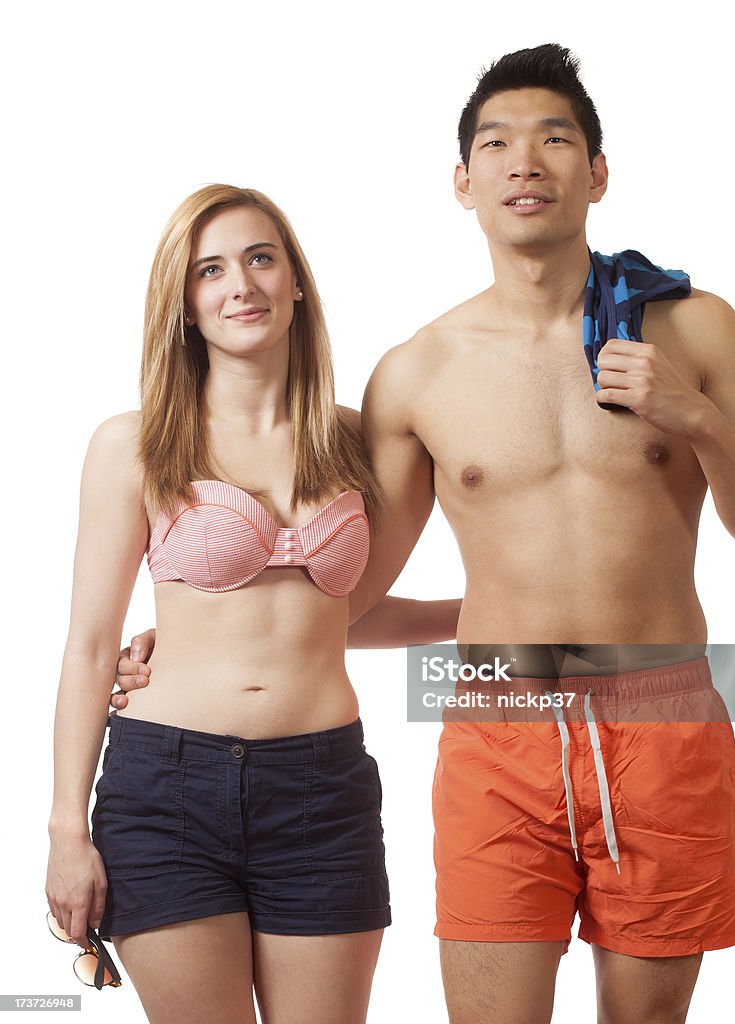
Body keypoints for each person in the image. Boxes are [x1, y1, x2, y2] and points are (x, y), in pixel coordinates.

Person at [115, 46, 735, 1024]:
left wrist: (695, 417)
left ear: (597, 172)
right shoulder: (419, 373)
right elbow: (344, 596)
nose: (525, 161)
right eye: (498, 143)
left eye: (555, 139)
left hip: (665, 714)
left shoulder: (695, 328)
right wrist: (193, 639)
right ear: (464, 182)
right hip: (501, 723)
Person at [46, 184, 458, 1024]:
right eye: (211, 270)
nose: (241, 285)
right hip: (166, 787)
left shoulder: (355, 438)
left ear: (296, 281)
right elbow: (92, 648)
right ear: (186, 305)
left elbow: (343, 614)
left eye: (261, 258)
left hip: (322, 788)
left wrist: (481, 611)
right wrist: (64, 830)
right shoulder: (134, 444)